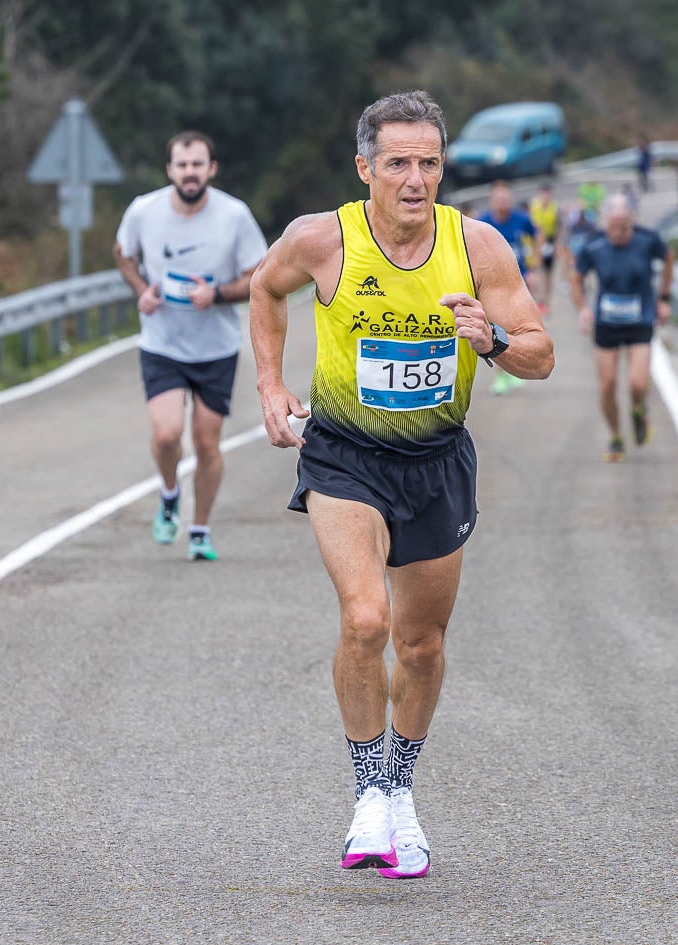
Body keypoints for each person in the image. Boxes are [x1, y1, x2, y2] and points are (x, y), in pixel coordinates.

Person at [249, 90, 552, 880]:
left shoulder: (477, 246)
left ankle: (400, 789)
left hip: (436, 462)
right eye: (397, 163)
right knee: (364, 619)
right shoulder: (322, 241)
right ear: (365, 168)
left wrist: (493, 341)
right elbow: (262, 289)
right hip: (345, 455)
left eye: (428, 163)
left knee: (421, 643)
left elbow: (540, 353)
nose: (415, 179)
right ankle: (365, 798)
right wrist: (271, 386)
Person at [113, 130, 268, 562]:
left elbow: (259, 276)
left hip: (215, 347)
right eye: (182, 165)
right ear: (170, 170)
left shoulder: (234, 216)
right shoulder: (144, 210)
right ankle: (168, 493)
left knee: (206, 443)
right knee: (166, 436)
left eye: (198, 164)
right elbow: (123, 253)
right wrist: (142, 289)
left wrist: (215, 294)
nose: (189, 172)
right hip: (162, 342)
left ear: (211, 169)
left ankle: (199, 529)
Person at [569, 193, 674, 462]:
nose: (618, 233)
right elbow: (576, 276)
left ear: (632, 222)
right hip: (606, 324)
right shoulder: (594, 245)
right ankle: (616, 436)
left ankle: (638, 411)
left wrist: (664, 299)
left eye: (624, 227)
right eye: (613, 227)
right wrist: (583, 309)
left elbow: (669, 258)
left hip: (640, 320)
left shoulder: (647, 239)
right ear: (605, 224)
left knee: (637, 384)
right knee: (607, 387)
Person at [478, 181, 543, 393]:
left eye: (506, 199)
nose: (502, 203)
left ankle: (515, 370)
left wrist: (534, 267)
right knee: (497, 328)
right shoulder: (483, 223)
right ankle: (501, 376)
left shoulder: (521, 220)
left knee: (519, 327)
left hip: (519, 280)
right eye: (498, 199)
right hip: (492, 284)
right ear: (491, 201)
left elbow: (538, 236)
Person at [527, 183, 560, 313]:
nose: (545, 197)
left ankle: (547, 300)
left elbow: (557, 226)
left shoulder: (554, 207)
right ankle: (537, 301)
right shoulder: (534, 206)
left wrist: (557, 244)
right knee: (537, 271)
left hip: (550, 241)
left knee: (549, 273)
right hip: (535, 242)